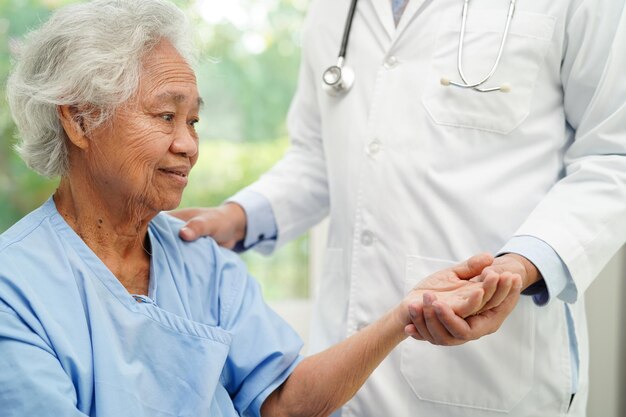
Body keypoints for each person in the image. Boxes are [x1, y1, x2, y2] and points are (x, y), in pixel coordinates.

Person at [0, 1, 523, 416]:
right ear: (80, 121)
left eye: (195, 121)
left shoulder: (202, 263)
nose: (188, 145)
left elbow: (284, 403)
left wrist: (402, 316)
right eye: (165, 116)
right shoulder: (14, 288)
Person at [172, 0, 626, 416]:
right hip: (347, 371)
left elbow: (613, 157)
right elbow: (319, 154)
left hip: (496, 369)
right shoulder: (334, 10)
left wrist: (520, 265)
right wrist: (237, 217)